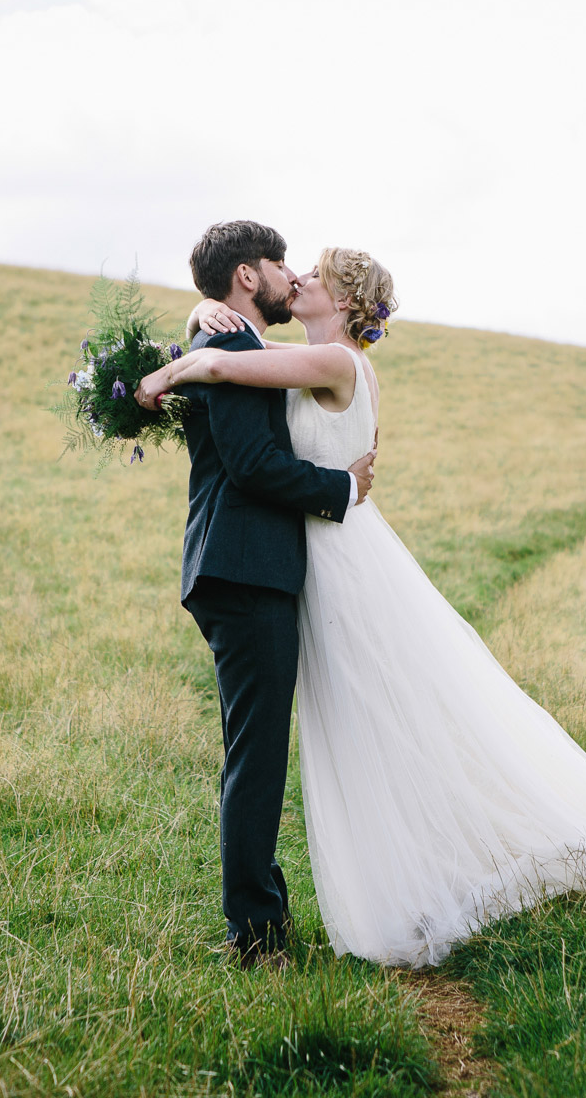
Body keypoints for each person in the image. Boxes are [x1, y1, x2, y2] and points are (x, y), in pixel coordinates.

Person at [137, 243, 586, 969]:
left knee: (383, 730)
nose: (296, 276)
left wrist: (172, 366)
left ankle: (402, 885)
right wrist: (199, 316)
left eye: (313, 274)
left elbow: (221, 366)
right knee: (354, 736)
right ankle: (370, 886)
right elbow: (239, 369)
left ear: (340, 302)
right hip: (314, 562)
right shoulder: (298, 359)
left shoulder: (336, 363)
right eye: (289, 268)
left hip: (341, 565)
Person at [166, 221, 377, 968]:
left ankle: (260, 919)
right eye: (280, 262)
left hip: (235, 566)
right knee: (255, 761)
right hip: (246, 568)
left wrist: (191, 328)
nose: (292, 273)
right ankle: (256, 938)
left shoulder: (232, 346)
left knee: (247, 756)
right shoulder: (229, 347)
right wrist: (341, 486)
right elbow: (254, 465)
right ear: (247, 278)